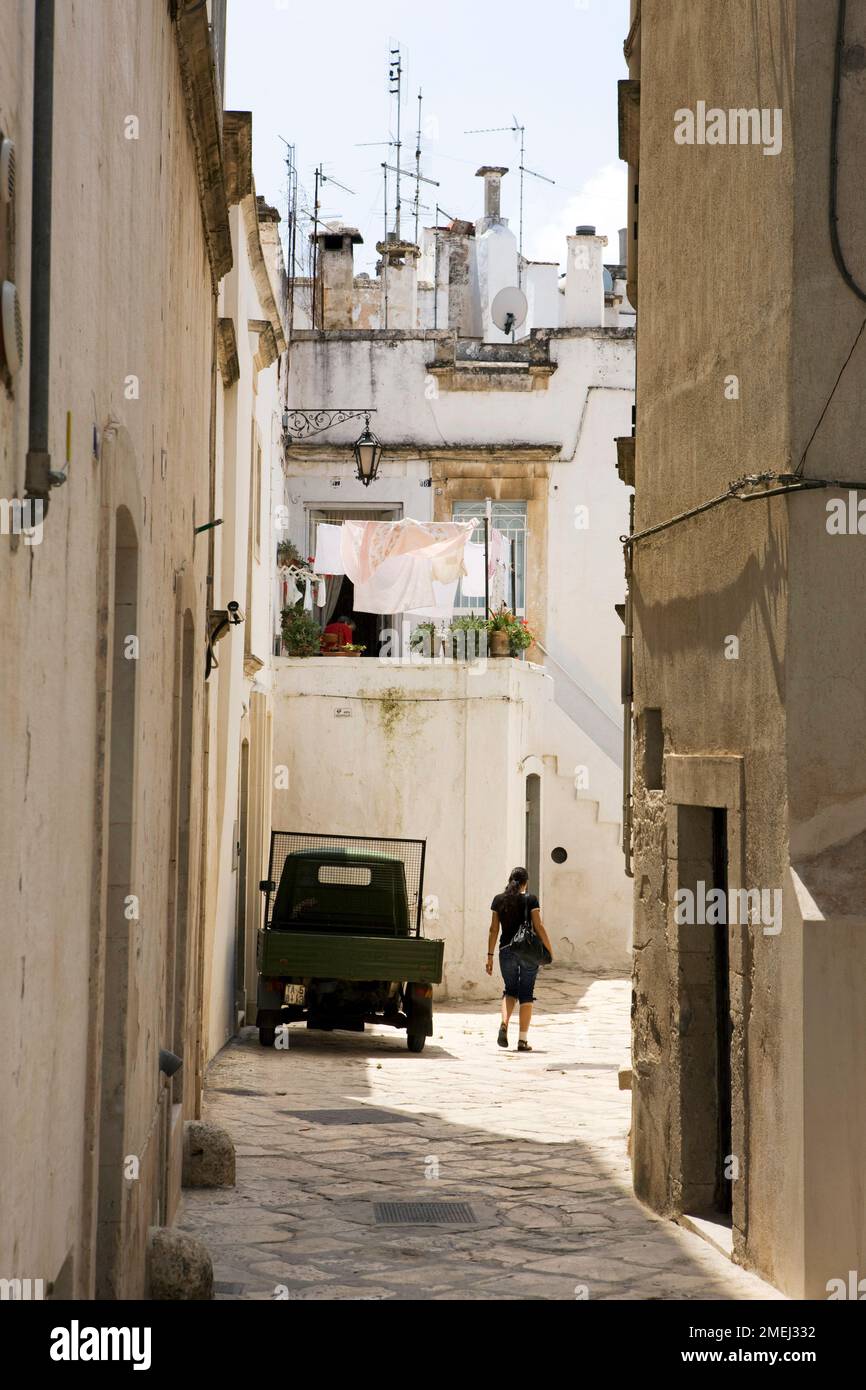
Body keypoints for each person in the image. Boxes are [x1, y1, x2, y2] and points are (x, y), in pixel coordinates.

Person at [486, 867, 553, 1052]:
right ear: (525, 883)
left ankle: (504, 1024)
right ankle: (522, 1040)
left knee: (510, 990)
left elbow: (493, 930)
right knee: (526, 993)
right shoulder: (530, 899)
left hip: (506, 951)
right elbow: (538, 926)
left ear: (509, 880)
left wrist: (490, 956)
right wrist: (549, 948)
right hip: (528, 952)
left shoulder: (498, 900)